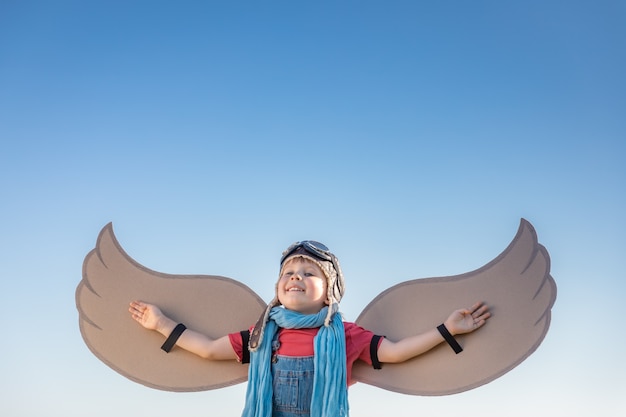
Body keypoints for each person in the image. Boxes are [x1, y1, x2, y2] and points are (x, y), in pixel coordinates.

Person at [129, 240, 490, 417]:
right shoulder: (261, 334)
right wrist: (161, 324)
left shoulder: (344, 335)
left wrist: (447, 330)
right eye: (288, 273)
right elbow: (208, 349)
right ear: (278, 288)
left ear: (328, 291)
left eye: (308, 273)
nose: (295, 277)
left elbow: (395, 352)